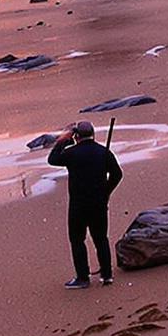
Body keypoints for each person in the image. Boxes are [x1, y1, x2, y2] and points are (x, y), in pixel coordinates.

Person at [46, 121, 124, 288]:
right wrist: (106, 192)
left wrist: (64, 140)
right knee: (101, 239)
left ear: (77, 136)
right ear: (93, 134)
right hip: (98, 203)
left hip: (78, 205)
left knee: (77, 240)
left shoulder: (72, 153)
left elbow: (52, 159)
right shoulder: (103, 152)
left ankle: (83, 277)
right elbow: (117, 174)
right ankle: (107, 274)